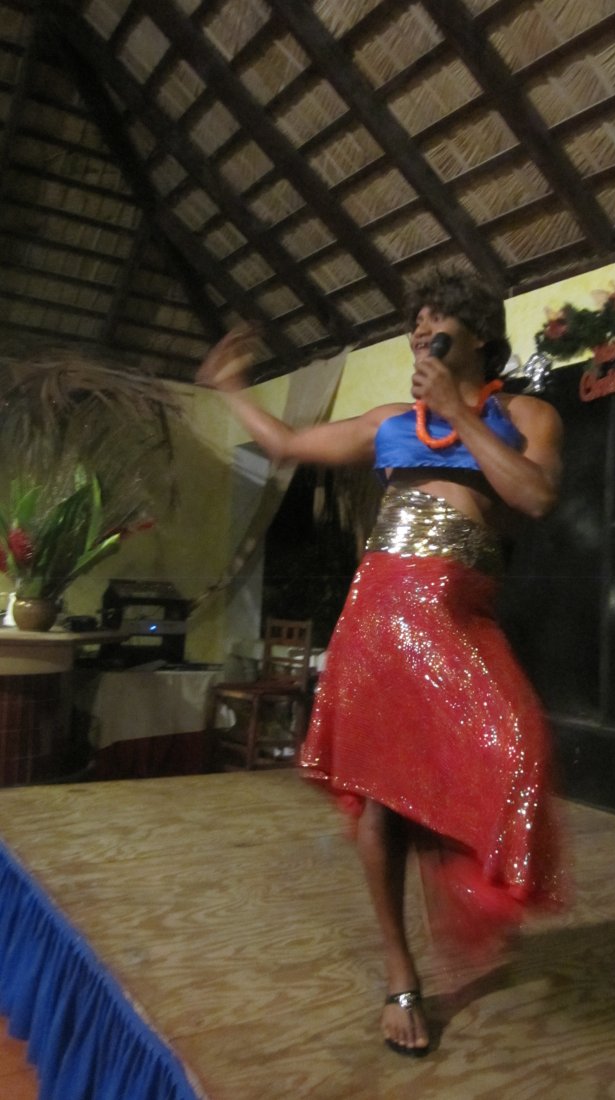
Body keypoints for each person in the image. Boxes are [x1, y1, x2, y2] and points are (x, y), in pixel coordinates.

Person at [197, 269, 566, 1057]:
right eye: (415, 331)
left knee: (519, 743)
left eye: (436, 331)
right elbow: (288, 444)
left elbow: (532, 500)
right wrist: (227, 390)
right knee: (381, 801)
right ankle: (402, 974)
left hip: (460, 614)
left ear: (478, 341)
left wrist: (461, 414)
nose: (419, 343)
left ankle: (459, 885)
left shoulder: (525, 414)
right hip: (382, 614)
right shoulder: (389, 421)